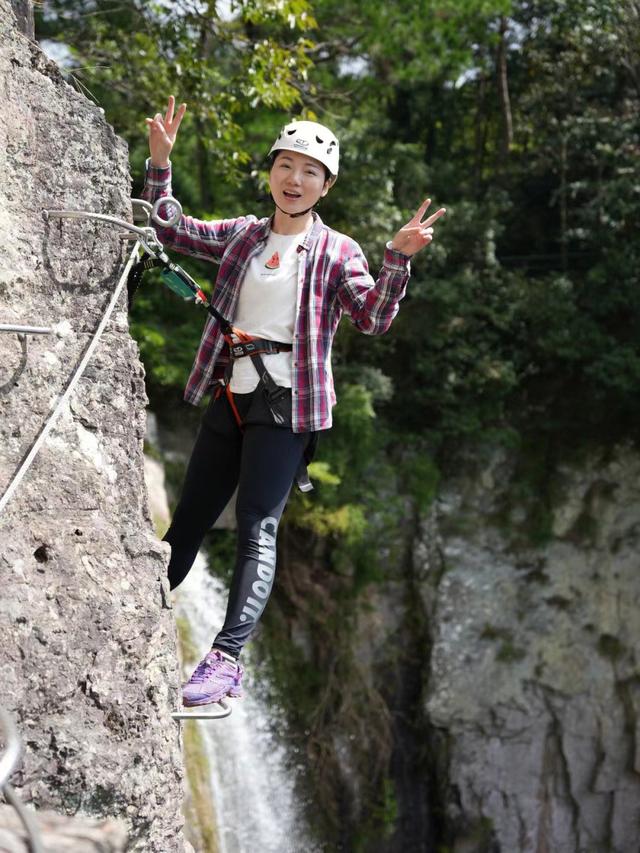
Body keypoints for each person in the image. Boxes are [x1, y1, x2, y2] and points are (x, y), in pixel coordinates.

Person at [142, 95, 446, 709]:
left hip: (289, 405)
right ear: (272, 173)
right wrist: (160, 163)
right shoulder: (243, 237)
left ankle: (226, 658)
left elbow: (373, 317)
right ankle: (139, 606)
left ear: (325, 187)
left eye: (310, 172)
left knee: (258, 524)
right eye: (287, 165)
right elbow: (170, 227)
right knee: (191, 519)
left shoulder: (339, 252)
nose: (295, 179)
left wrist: (396, 259)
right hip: (233, 392)